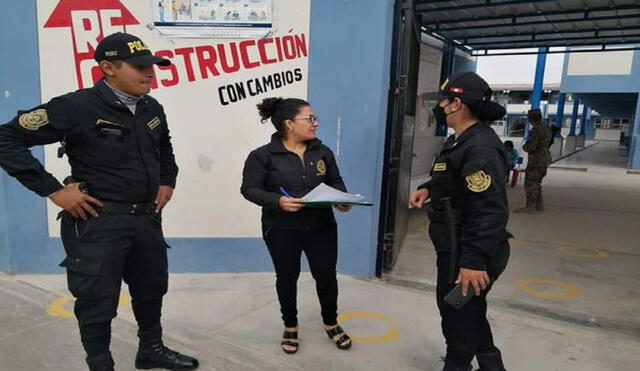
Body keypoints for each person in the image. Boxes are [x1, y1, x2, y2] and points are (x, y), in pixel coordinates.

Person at [0, 32, 198, 371]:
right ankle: (101, 363)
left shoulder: (152, 106)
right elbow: (6, 139)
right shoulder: (75, 107)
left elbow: (163, 148)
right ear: (108, 67)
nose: (151, 74)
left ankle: (150, 350)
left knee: (151, 289)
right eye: (140, 67)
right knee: (96, 300)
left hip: (147, 219)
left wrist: (168, 179)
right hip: (99, 221)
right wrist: (54, 190)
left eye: (152, 66)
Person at [409, 72, 510, 371]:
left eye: (441, 102)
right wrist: (429, 187)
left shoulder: (480, 147)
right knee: (468, 309)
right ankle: (492, 366)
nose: (438, 108)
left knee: (457, 314)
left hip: (467, 247)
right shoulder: (463, 140)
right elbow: (453, 176)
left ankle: (456, 365)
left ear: (456, 104)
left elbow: (490, 208)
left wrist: (474, 262)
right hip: (455, 243)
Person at [241, 97, 352, 354]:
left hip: (321, 226)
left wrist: (342, 200)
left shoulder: (323, 152)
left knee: (326, 276)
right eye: (309, 118)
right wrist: (277, 200)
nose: (315, 123)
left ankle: (330, 322)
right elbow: (249, 189)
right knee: (287, 277)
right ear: (289, 124)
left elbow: (335, 180)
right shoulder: (261, 156)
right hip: (280, 229)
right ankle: (290, 326)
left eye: (315, 118)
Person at [514, 109, 552, 213]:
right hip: (545, 158)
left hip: (536, 160)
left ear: (531, 119)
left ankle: (530, 206)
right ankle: (539, 204)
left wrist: (525, 147)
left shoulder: (536, 130)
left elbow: (532, 146)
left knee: (530, 183)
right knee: (537, 182)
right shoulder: (547, 127)